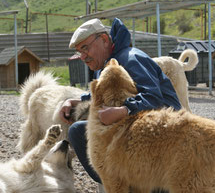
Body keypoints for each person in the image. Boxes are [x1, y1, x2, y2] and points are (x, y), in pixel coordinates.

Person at [59, 18, 181, 192]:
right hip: (135, 131)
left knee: (80, 130)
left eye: (85, 48)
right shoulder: (107, 63)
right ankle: (120, 181)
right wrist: (75, 101)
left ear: (104, 39)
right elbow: (105, 94)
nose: (83, 57)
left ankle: (134, 184)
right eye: (80, 52)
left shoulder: (131, 58)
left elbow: (155, 99)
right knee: (80, 131)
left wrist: (124, 110)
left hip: (162, 136)